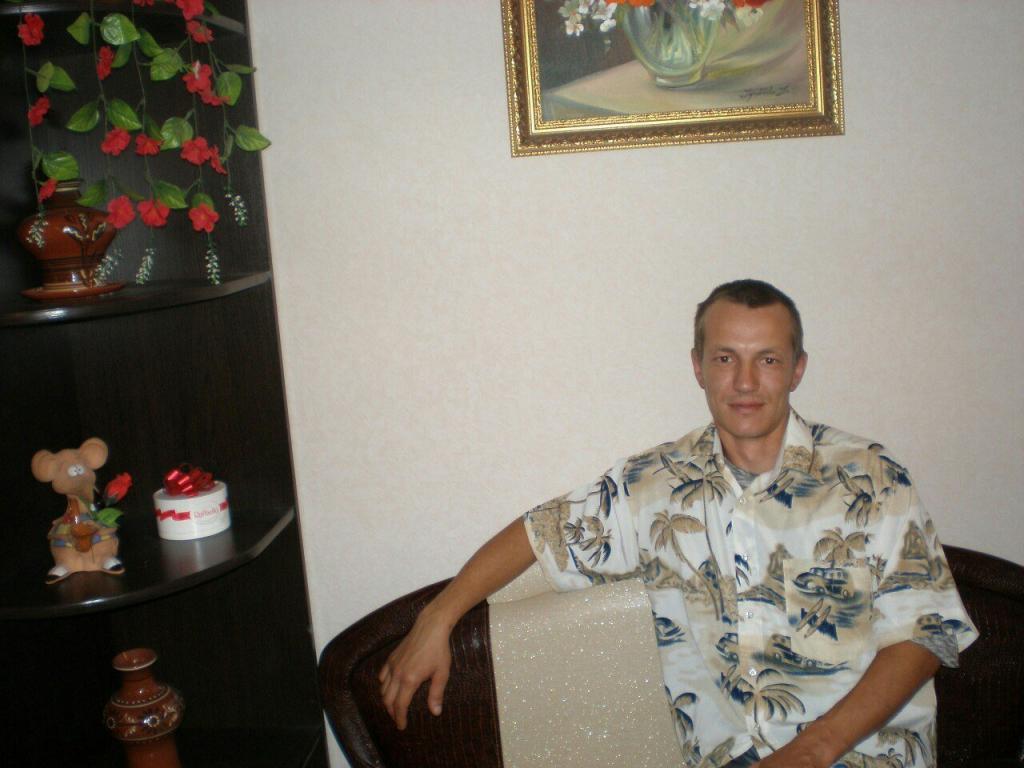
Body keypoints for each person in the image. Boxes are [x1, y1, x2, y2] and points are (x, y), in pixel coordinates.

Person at [379, 279, 977, 768]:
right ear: (698, 368)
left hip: (865, 754)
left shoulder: (871, 476)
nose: (745, 382)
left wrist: (812, 752)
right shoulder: (653, 485)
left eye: (768, 360)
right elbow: (540, 535)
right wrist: (438, 616)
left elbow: (925, 635)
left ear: (797, 369)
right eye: (725, 359)